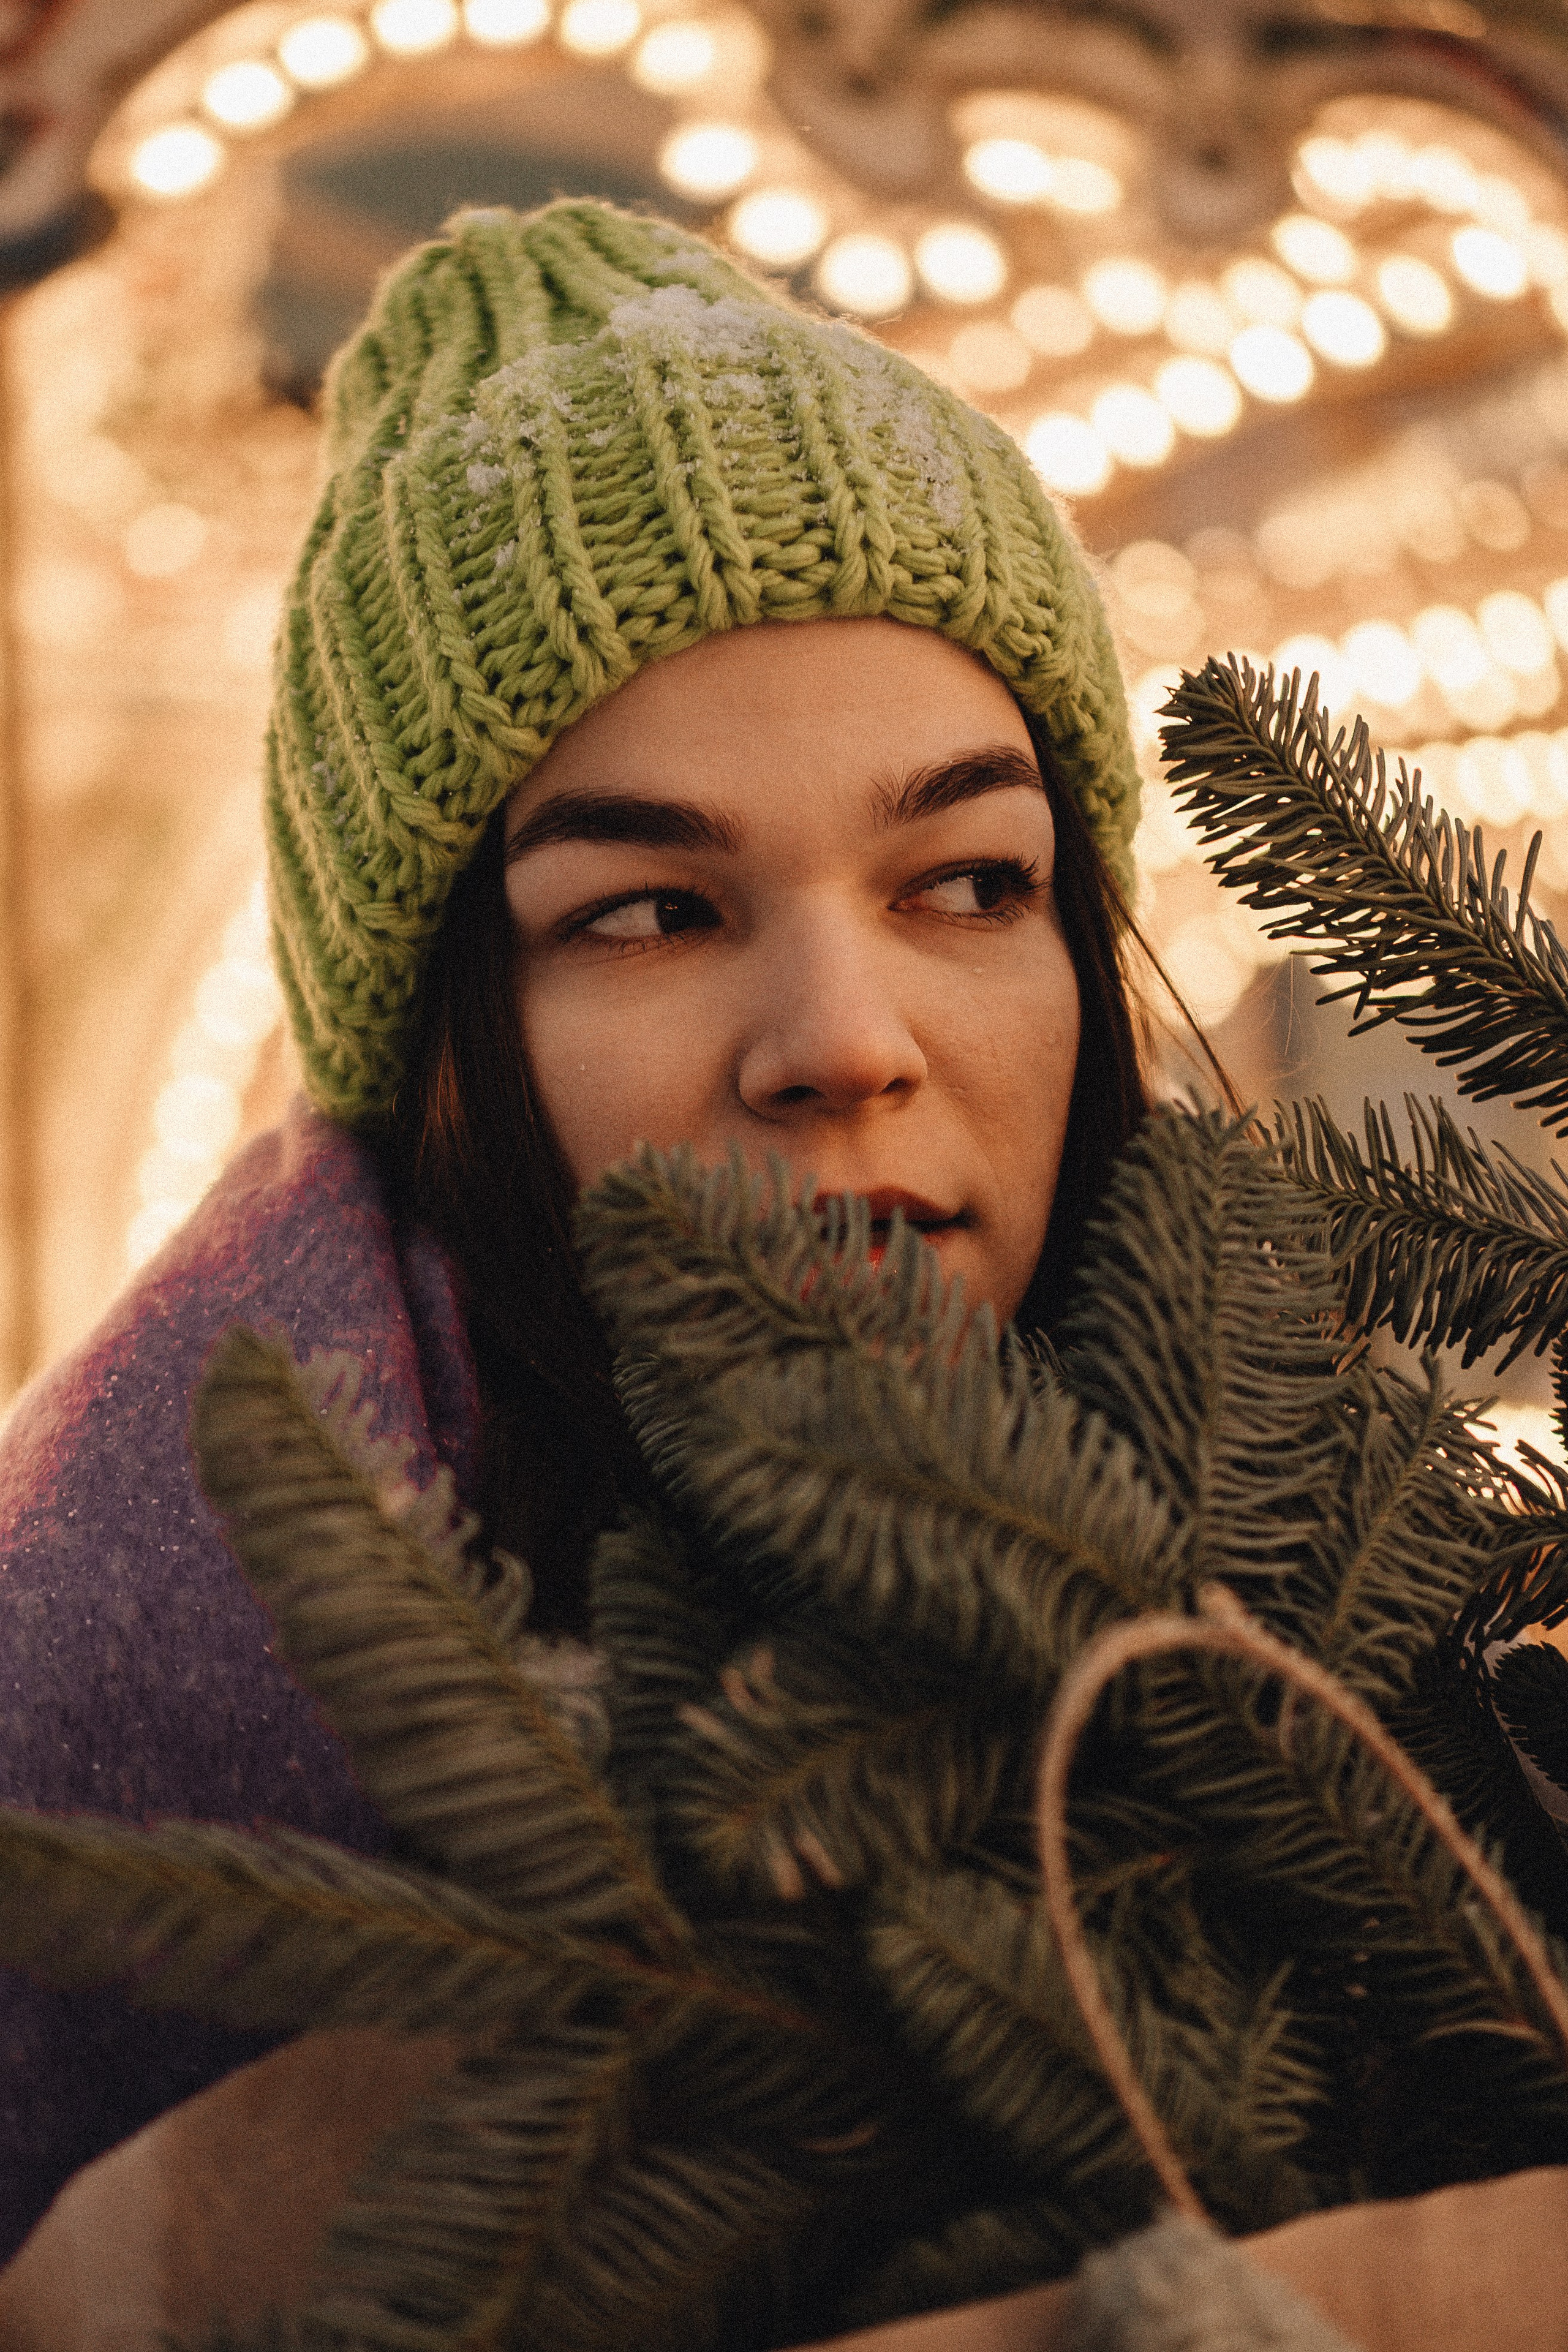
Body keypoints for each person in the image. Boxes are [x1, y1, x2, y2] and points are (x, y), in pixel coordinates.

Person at [0, 197, 1147, 2261]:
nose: (846, 1042)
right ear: (445, 1047)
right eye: (650, 913)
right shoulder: (104, 1715)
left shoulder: (1364, 1589)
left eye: (972, 881)